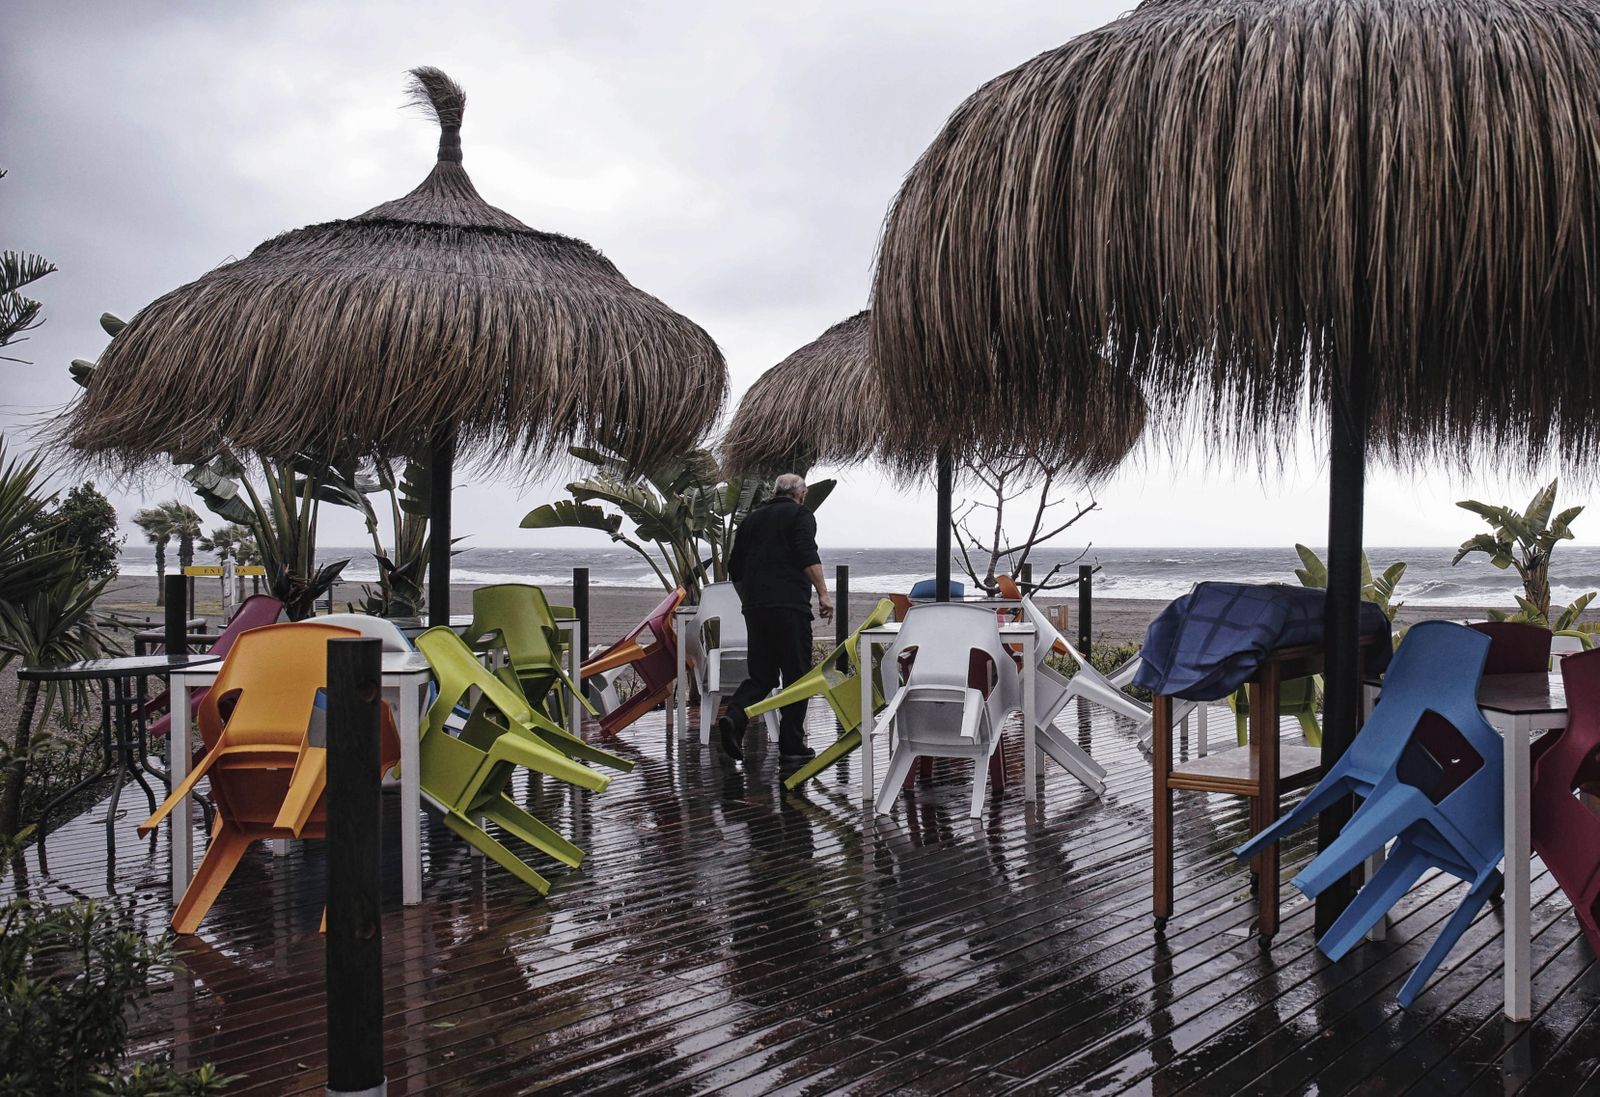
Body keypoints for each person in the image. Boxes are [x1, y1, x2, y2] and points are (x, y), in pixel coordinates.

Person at [717, 472, 833, 763]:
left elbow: (735, 567)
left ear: (775, 492)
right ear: (801, 494)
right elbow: (806, 553)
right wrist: (823, 593)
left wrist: (749, 601)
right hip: (790, 606)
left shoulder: (751, 520)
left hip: (756, 608)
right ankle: (791, 744)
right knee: (797, 675)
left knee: (762, 675)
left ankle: (735, 715)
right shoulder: (800, 515)